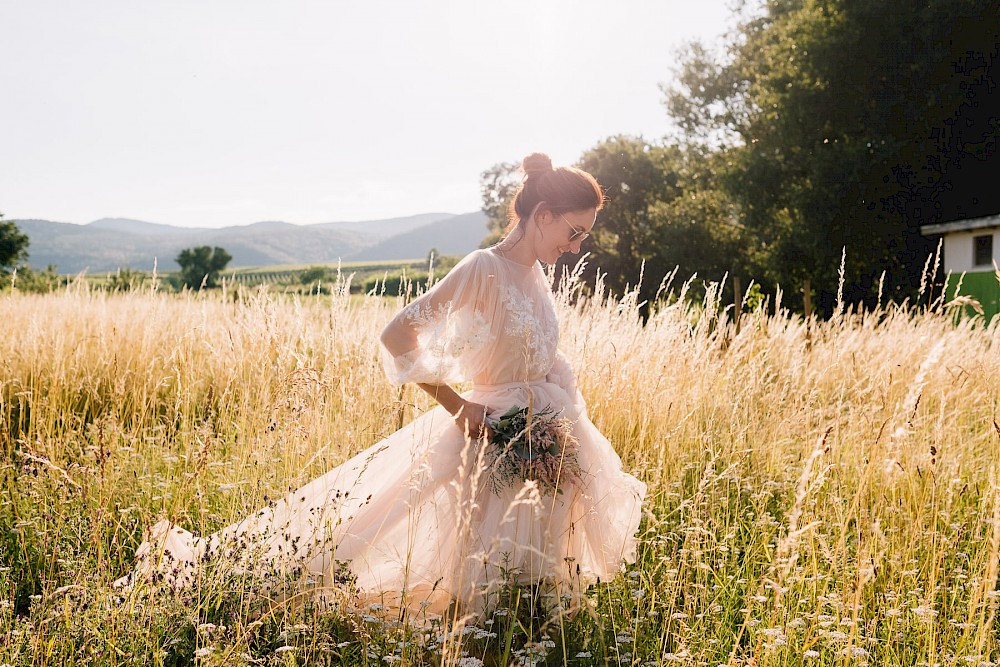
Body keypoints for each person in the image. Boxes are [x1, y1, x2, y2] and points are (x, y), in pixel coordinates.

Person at [117, 152, 646, 623]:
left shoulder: (539, 274)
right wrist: (460, 407)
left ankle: (517, 634)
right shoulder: (484, 268)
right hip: (491, 434)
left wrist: (559, 421)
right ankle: (229, 578)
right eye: (573, 232)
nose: (576, 246)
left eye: (583, 235)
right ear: (543, 215)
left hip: (541, 433)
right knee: (388, 533)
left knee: (527, 582)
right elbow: (398, 333)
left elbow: (540, 355)